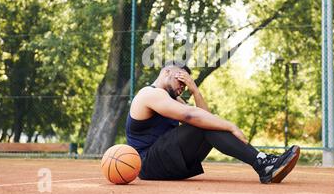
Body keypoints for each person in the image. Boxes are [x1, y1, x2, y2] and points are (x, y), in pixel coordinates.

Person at [125, 61, 300, 184]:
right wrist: (232, 126)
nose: (182, 88)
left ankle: (263, 162)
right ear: (167, 73)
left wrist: (195, 91)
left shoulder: (173, 99)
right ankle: (263, 164)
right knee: (203, 123)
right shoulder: (150, 93)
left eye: (185, 86)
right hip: (148, 163)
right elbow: (192, 117)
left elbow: (205, 118)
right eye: (181, 81)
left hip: (168, 162)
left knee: (207, 123)